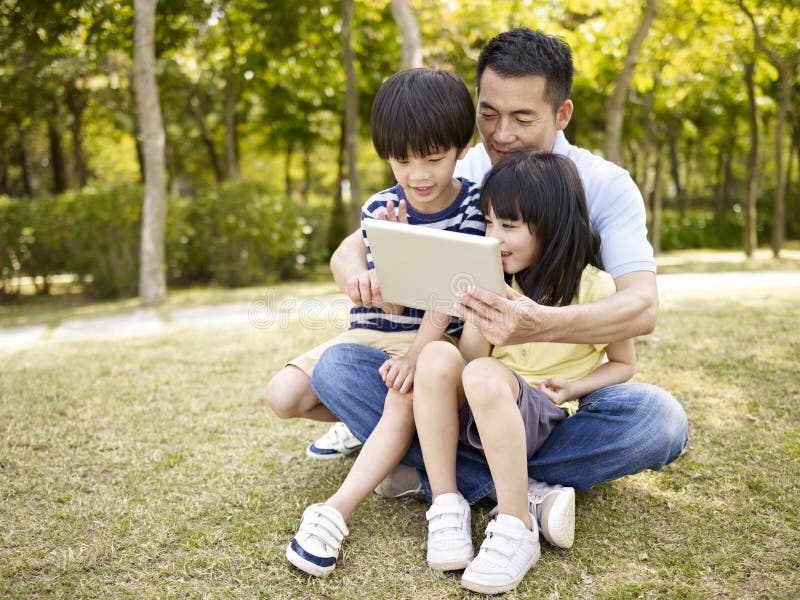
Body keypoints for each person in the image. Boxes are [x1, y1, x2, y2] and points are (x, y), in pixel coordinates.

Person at [310, 26, 688, 555]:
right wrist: (351, 268)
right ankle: (520, 491)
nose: (501, 135)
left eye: (523, 118)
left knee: (658, 420)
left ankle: (427, 469)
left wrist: (540, 325)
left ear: (562, 115)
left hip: (546, 398)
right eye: (489, 114)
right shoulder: (457, 163)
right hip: (462, 384)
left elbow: (641, 308)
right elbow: (360, 239)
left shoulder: (604, 185)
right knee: (339, 370)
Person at [283, 67, 486, 577]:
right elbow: (372, 283)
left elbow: (453, 290)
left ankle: (338, 511)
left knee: (404, 392)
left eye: (433, 158)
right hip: (376, 334)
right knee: (283, 396)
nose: (418, 174)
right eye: (401, 160)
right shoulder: (382, 207)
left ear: (463, 147)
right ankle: (366, 429)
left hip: (437, 340)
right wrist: (370, 277)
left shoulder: (475, 206)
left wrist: (418, 350)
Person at [415, 150, 635, 594]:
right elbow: (474, 359)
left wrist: (575, 386)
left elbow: (625, 364)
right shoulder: (503, 282)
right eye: (489, 223)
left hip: (535, 414)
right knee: (436, 357)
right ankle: (446, 503)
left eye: (509, 225)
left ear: (550, 223)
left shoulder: (597, 288)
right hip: (481, 408)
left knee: (481, 375)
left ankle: (517, 525)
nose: (494, 237)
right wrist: (478, 306)